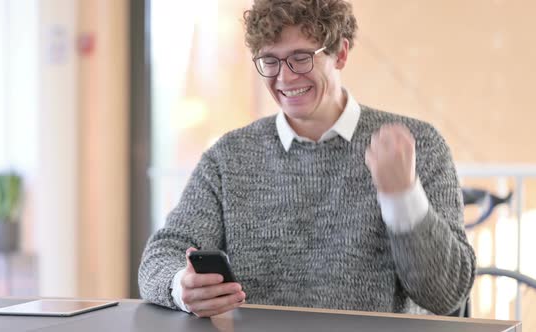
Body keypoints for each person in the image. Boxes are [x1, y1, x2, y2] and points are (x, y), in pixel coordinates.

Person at [139, 0, 476, 318]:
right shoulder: (229, 158)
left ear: (340, 54)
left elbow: (446, 296)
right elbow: (161, 255)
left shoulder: (418, 146)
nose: (285, 77)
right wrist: (180, 287)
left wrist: (403, 197)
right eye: (270, 60)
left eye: (301, 57)